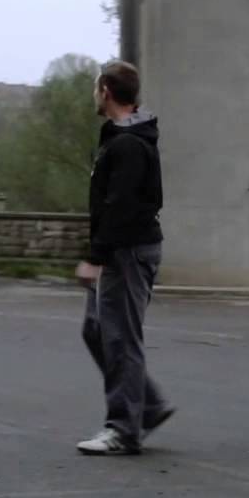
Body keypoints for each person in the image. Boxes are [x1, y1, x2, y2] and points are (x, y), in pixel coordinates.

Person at [76, 61, 174, 456]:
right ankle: (147, 406)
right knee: (97, 329)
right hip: (120, 248)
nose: (94, 94)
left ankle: (123, 429)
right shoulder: (121, 137)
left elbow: (121, 207)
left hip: (127, 251)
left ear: (106, 91)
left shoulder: (129, 144)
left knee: (119, 337)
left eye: (96, 87)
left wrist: (96, 256)